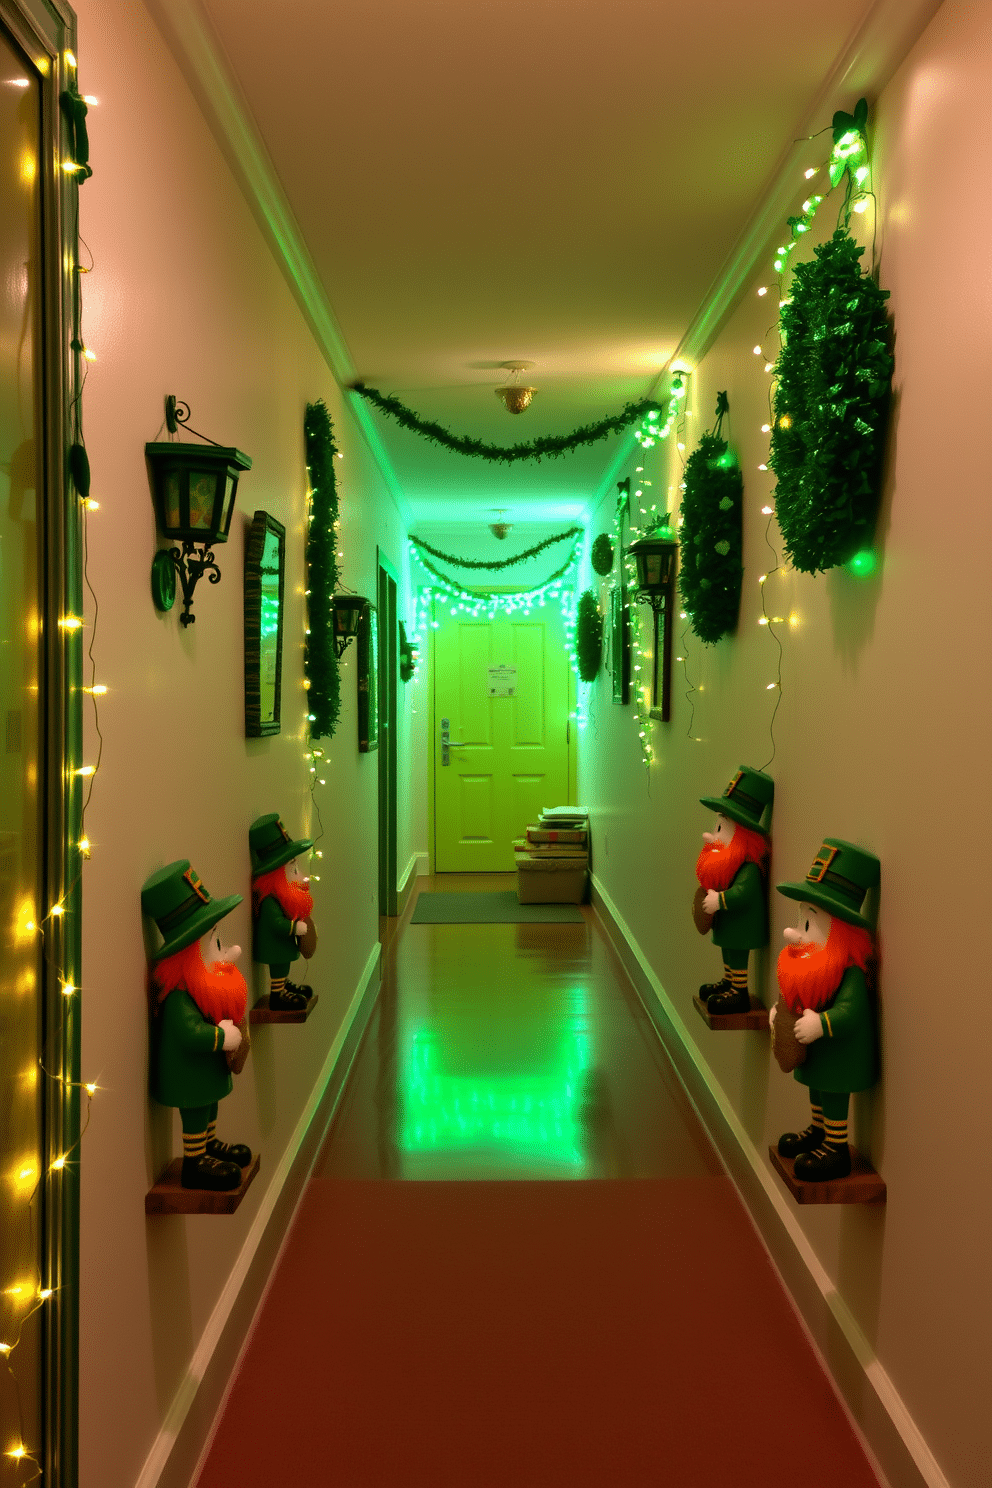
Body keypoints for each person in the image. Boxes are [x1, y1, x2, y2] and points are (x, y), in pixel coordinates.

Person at [771, 839, 880, 1181]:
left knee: (832, 1093)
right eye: (799, 920)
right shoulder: (814, 969)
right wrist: (780, 1011)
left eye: (808, 924)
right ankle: (818, 1130)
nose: (794, 932)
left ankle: (835, 1146)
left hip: (839, 1056)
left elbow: (851, 1012)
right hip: (819, 1055)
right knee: (817, 1089)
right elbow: (799, 998)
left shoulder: (848, 973)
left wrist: (822, 1024)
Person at [142, 860, 252, 1191]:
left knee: (210, 1104)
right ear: (190, 954)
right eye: (214, 944)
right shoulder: (179, 996)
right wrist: (221, 1037)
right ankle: (195, 1160)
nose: (226, 951)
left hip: (204, 1074)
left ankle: (209, 1144)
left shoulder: (202, 989)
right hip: (189, 1075)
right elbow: (189, 1033)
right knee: (196, 1110)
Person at [695, 766, 774, 1015]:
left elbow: (744, 893)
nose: (711, 835)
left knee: (737, 954)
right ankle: (729, 981)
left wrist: (720, 900)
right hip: (730, 925)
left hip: (742, 925)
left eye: (720, 828)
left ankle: (739, 991)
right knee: (727, 951)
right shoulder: (729, 865)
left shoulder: (748, 866)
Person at [249, 813, 316, 1013]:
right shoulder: (270, 901)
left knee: (283, 968)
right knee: (278, 967)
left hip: (281, 948)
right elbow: (276, 924)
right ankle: (278, 994)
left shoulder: (281, 898)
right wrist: (294, 927)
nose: (299, 874)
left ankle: (283, 984)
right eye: (293, 869)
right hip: (274, 948)